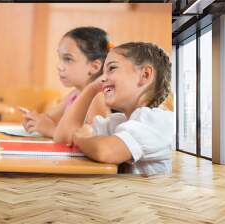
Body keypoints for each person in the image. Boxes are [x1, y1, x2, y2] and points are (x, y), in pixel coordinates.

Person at [54, 42, 174, 175]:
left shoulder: (157, 121)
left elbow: (105, 151)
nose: (102, 78)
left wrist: (81, 140)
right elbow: (63, 138)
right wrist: (91, 89)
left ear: (145, 75)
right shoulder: (117, 122)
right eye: (102, 72)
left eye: (112, 68)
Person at [22, 27, 111, 137]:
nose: (59, 66)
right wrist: (34, 120)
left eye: (68, 59)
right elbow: (49, 118)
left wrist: (52, 131)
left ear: (94, 66)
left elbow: (93, 139)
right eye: (60, 58)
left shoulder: (97, 98)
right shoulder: (74, 95)